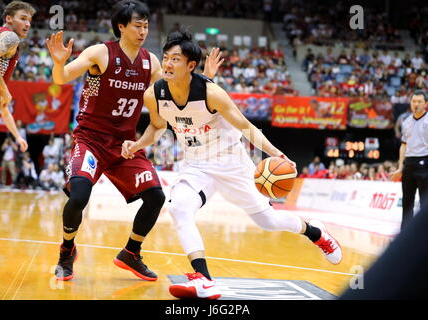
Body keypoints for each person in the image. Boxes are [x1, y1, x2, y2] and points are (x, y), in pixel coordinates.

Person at [121, 29, 342, 300]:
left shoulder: (213, 93)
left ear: (191, 65)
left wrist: (276, 153)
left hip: (231, 163)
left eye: (175, 59)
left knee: (269, 221)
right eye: (166, 58)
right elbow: (156, 128)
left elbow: (247, 128)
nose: (167, 63)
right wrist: (137, 144)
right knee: (179, 208)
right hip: (196, 165)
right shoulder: (154, 95)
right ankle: (203, 279)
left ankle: (316, 232)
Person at [46, 0, 221, 281]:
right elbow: (63, 77)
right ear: (121, 26)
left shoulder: (150, 62)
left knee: (156, 196)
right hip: (91, 139)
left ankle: (131, 252)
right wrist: (58, 62)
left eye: (146, 26)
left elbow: (175, 89)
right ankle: (67, 250)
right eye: (137, 25)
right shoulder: (100, 53)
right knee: (79, 195)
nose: (143, 31)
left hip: (125, 143)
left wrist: (206, 79)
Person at [0, 1, 32, 225]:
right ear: (9, 18)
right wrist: (4, 88)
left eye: (30, 20)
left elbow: (3, 107)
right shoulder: (9, 37)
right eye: (23, 18)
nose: (28, 23)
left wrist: (17, 136)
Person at [390, 90, 428, 230]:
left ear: (426, 104)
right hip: (409, 164)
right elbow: (403, 145)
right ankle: (405, 233)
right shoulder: (406, 122)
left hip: (425, 163)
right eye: (414, 101)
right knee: (407, 202)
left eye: (419, 101)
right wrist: (400, 166)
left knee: (425, 203)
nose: (416, 104)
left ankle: (426, 233)